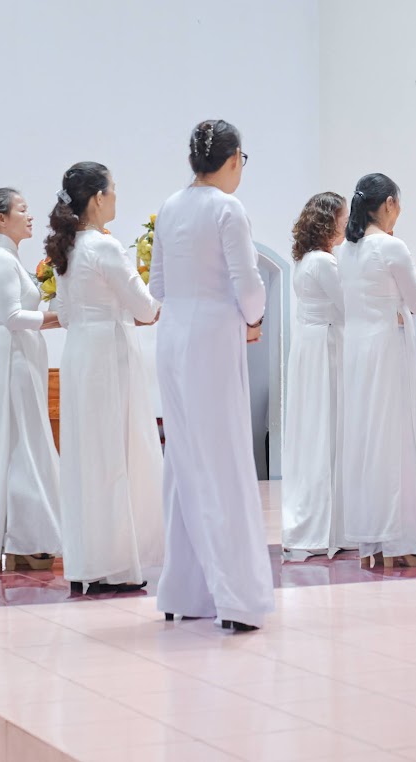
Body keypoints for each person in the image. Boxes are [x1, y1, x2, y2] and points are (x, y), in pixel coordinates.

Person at [152, 120, 273, 633]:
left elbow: (157, 286)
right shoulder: (228, 208)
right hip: (213, 339)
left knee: (183, 461)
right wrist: (253, 319)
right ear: (233, 158)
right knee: (224, 460)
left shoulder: (169, 206)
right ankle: (238, 599)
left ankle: (184, 590)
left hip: (173, 336)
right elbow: (249, 284)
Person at [46, 162, 164, 595]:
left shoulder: (67, 249)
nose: (116, 197)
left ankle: (86, 561)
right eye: (113, 190)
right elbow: (145, 307)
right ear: (98, 198)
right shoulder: (105, 246)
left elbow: (65, 312)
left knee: (85, 456)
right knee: (116, 453)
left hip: (79, 350)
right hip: (110, 352)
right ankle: (116, 564)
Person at [340, 174, 416, 569]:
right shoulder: (391, 245)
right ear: (388, 204)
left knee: (369, 439)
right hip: (387, 349)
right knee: (398, 437)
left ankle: (375, 538)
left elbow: (380, 292)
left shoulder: (346, 250)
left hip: (357, 351)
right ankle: (405, 535)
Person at [0, 188, 63, 572]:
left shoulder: (9, 259)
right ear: (1, 219)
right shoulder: (0, 261)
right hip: (14, 359)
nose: (30, 216)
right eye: (22, 210)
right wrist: (59, 318)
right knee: (22, 444)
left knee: (28, 441)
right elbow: (11, 317)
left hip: (24, 355)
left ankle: (26, 534)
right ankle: (25, 535)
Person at [281, 192, 350, 562]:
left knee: (314, 431)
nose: (347, 223)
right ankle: (328, 526)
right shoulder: (324, 262)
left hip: (309, 346)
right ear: (329, 221)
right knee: (329, 430)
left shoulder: (305, 260)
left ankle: (329, 522)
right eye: (343, 217)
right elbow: (348, 306)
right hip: (326, 347)